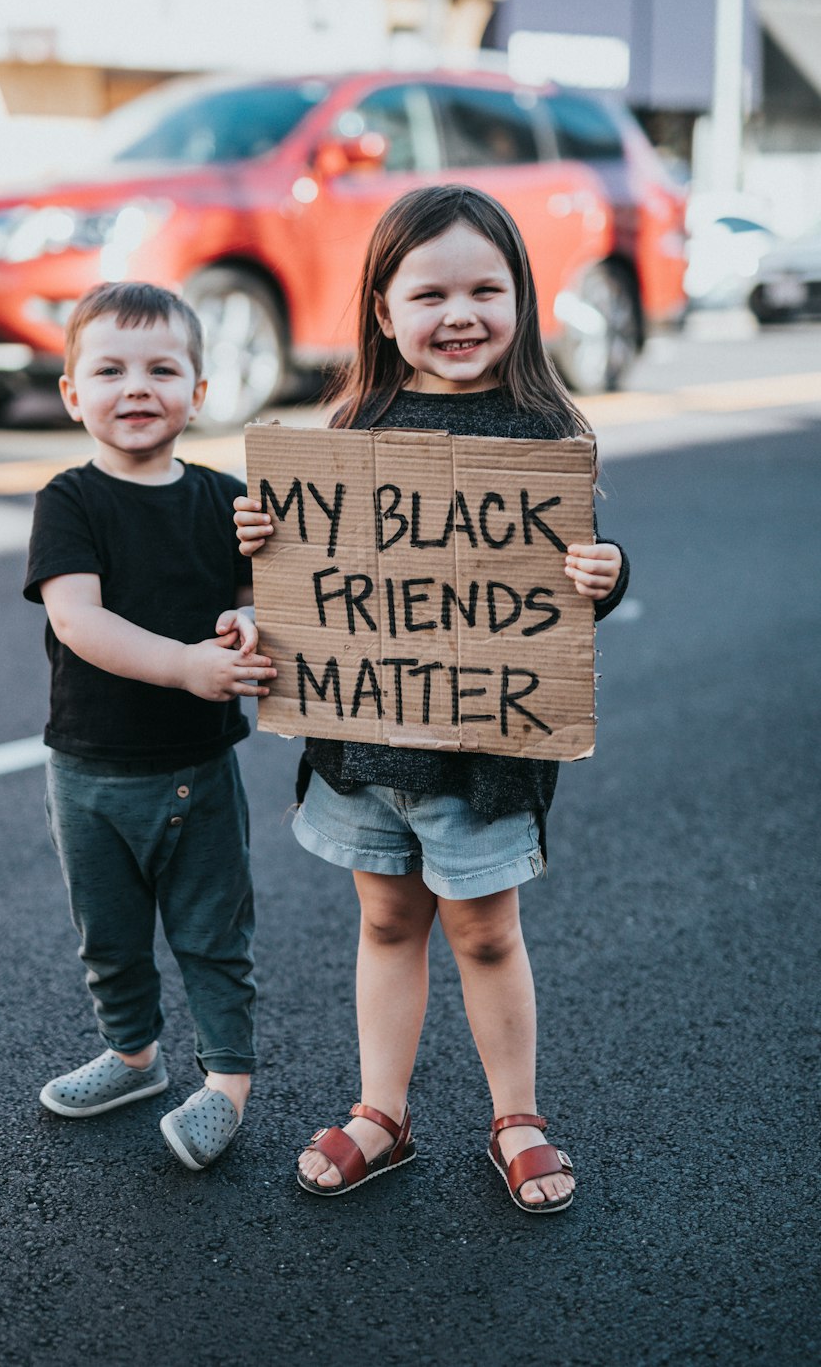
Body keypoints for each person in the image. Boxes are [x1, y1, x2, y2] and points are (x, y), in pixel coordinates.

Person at [234, 185, 629, 1210]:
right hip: (363, 746)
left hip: (485, 753)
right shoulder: (350, 426)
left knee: (486, 930)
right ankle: (384, 1111)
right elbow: (317, 584)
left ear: (522, 299)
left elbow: (574, 579)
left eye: (485, 290)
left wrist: (606, 572)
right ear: (382, 310)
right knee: (385, 921)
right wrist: (260, 552)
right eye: (431, 293)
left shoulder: (545, 430)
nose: (461, 315)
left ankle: (516, 1115)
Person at [24, 281, 276, 1171]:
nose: (137, 388)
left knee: (214, 934)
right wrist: (185, 664)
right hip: (87, 770)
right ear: (73, 393)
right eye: (111, 370)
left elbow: (258, 608)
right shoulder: (69, 501)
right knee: (111, 935)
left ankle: (227, 1085)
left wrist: (247, 628)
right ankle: (134, 1056)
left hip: (198, 769)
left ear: (199, 392)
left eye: (163, 369)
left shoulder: (225, 499)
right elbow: (77, 622)